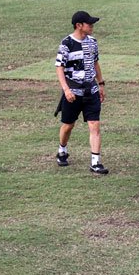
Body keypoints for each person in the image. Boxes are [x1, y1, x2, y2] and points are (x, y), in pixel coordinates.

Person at [55, 11, 108, 174]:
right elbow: (59, 68)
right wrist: (66, 90)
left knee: (95, 125)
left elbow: (95, 63)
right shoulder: (67, 44)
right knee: (68, 125)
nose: (92, 26)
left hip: (91, 90)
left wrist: (101, 84)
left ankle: (96, 162)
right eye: (89, 24)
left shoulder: (92, 42)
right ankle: (62, 150)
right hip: (73, 93)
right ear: (79, 25)